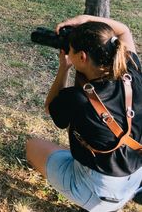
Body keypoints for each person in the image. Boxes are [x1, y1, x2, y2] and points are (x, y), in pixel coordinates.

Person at [26, 15, 142, 212]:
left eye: (70, 50)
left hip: (101, 194)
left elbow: (51, 107)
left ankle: (94, 204)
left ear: (82, 57)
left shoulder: (78, 99)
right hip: (135, 173)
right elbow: (123, 31)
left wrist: (63, 69)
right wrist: (85, 20)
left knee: (32, 147)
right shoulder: (132, 70)